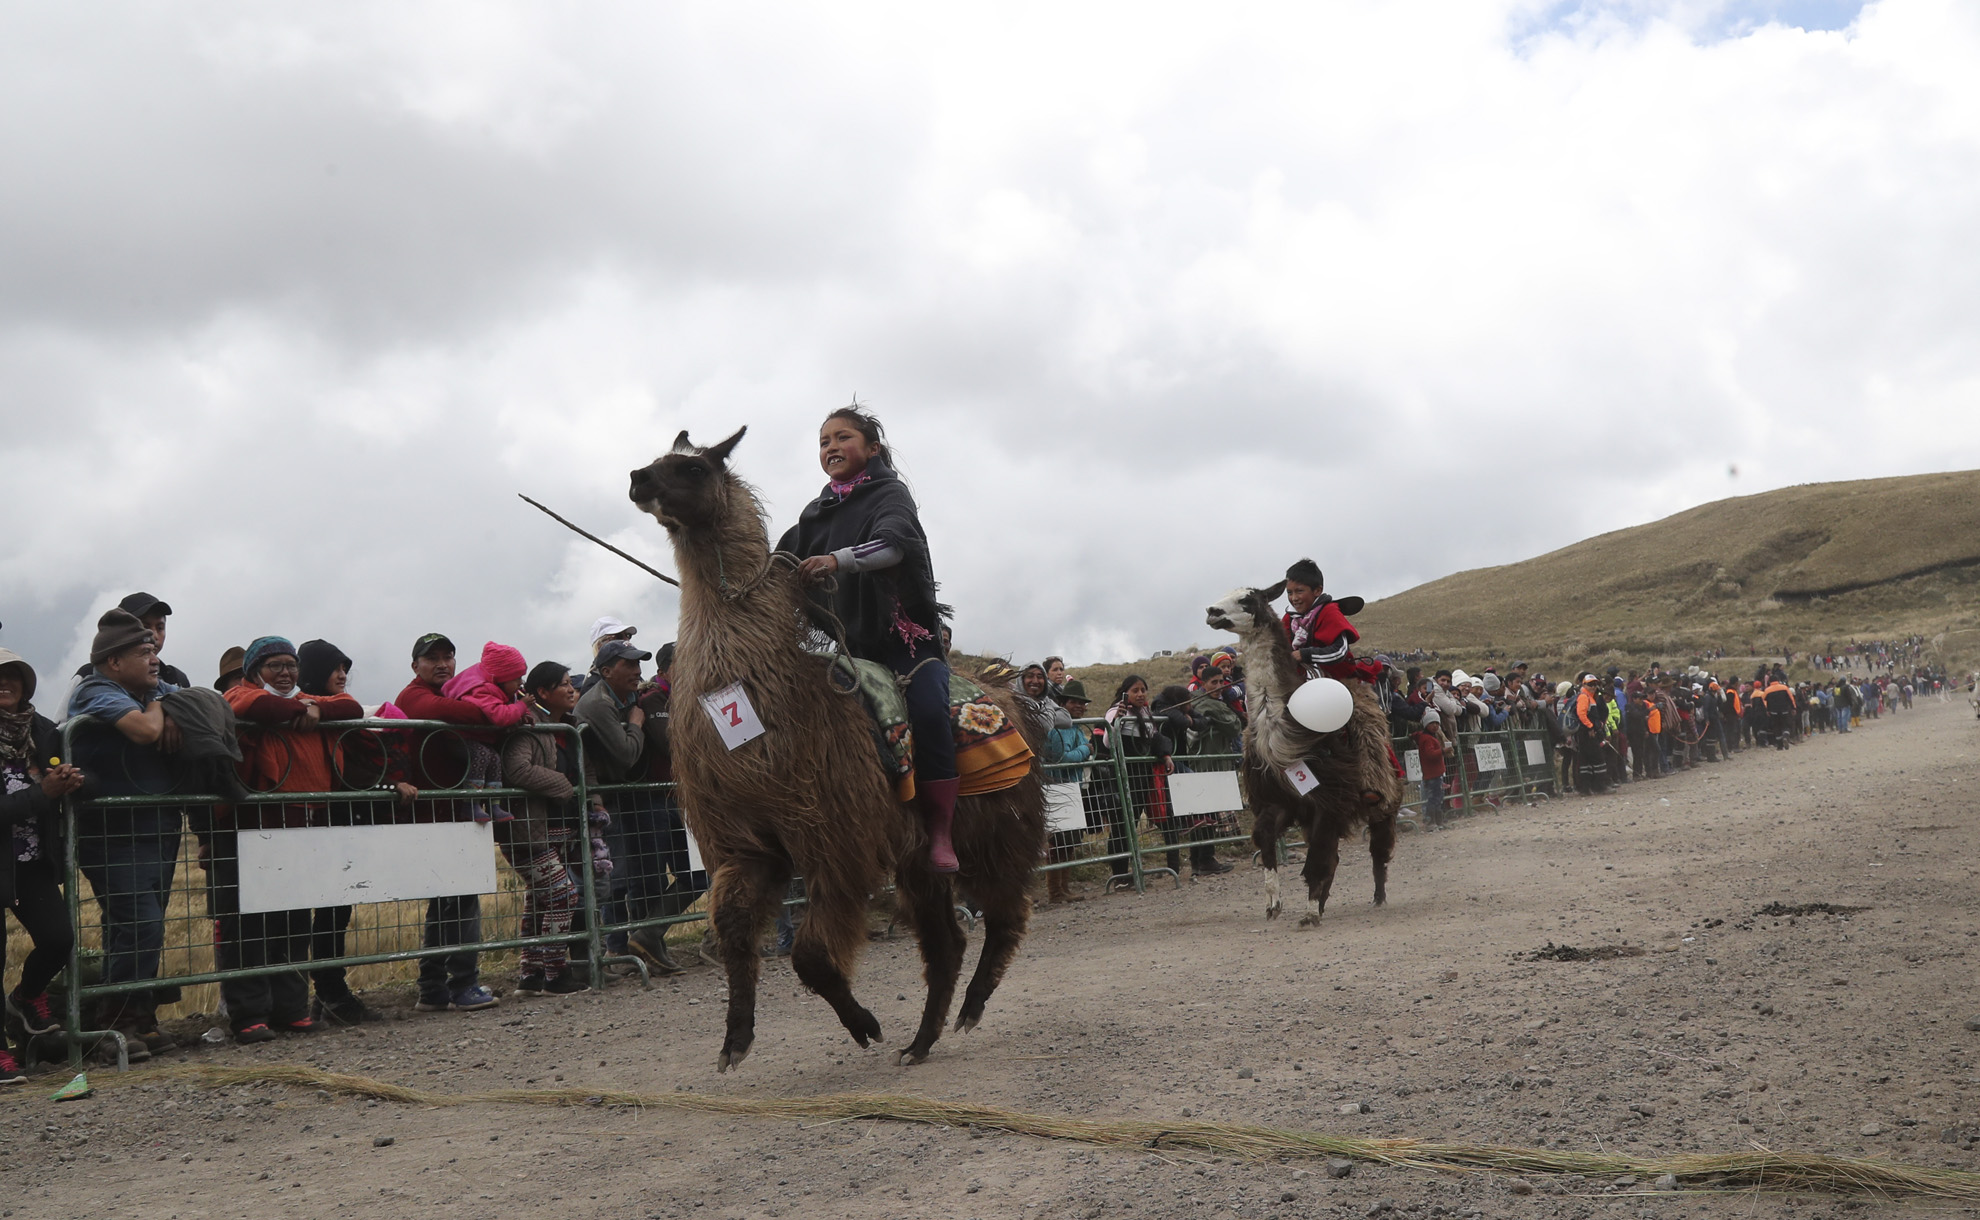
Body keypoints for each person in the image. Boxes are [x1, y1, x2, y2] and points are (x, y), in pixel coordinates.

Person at [778, 406, 960, 872]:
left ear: (873, 449)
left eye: (842, 437)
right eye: (823, 441)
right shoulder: (816, 513)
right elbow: (780, 563)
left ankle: (941, 830)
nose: (831, 447)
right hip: (849, 650)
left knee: (928, 711)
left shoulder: (891, 495)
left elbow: (894, 545)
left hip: (906, 644)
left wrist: (836, 561)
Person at [217, 636, 363, 1041]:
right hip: (257, 825)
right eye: (274, 665)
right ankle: (249, 1014)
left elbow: (350, 706)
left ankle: (292, 1007)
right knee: (251, 923)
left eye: (290, 665)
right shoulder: (239, 694)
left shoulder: (310, 699)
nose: (284, 672)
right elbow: (261, 707)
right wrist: (307, 708)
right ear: (253, 671)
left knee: (296, 916)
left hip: (306, 823)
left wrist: (313, 706)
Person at [65, 608, 189, 1062]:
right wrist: (162, 707)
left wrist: (169, 705)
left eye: (154, 649)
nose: (154, 658)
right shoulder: (97, 690)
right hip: (112, 834)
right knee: (141, 922)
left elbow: (197, 706)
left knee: (139, 927)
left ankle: (138, 1016)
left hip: (156, 828)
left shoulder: (151, 687)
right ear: (114, 662)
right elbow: (144, 730)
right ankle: (110, 1022)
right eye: (143, 652)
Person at [393, 633, 501, 1014]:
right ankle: (462, 984)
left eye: (449, 656)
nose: (442, 664)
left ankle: (434, 988)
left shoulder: (447, 693)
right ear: (415, 665)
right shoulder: (415, 696)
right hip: (437, 813)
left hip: (453, 810)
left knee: (447, 902)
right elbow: (465, 715)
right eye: (432, 658)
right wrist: (491, 708)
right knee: (460, 899)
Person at [296, 639, 392, 1025]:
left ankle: (329, 994)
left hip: (333, 822)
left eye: (345, 667)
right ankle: (325, 994)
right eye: (334, 668)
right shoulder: (300, 709)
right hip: (311, 822)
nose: (342, 675)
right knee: (313, 914)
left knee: (335, 911)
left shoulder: (327, 711)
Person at [576, 638, 682, 974]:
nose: (638, 672)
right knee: (616, 880)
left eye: (639, 665)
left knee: (644, 878)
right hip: (608, 801)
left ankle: (643, 944)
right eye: (629, 665)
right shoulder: (600, 703)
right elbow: (625, 755)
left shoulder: (632, 697)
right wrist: (637, 723)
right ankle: (615, 951)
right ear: (606, 670)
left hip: (628, 799)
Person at [0, 650, 82, 1079]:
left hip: (30, 862)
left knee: (58, 939)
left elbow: (85, 775)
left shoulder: (42, 732)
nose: (5, 683)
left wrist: (74, 780)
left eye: (13, 676)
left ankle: (27, 998)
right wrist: (44, 793)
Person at [502, 661, 593, 995]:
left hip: (554, 831)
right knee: (563, 894)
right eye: (563, 684)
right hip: (527, 832)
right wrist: (564, 785)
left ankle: (530, 975)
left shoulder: (568, 728)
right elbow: (517, 769)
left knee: (540, 901)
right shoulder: (530, 727)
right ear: (542, 692)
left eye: (572, 683)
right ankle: (556, 974)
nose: (571, 689)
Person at [440, 642, 533, 824]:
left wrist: (525, 714)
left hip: (475, 737)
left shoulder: (498, 684)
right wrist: (522, 707)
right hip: (459, 738)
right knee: (481, 755)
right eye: (517, 678)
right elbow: (500, 716)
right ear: (502, 678)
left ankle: (493, 804)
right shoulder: (481, 689)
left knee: (495, 759)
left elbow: (511, 701)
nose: (521, 683)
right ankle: (471, 804)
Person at [1106, 676, 1175, 878]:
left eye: (1143, 690)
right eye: (1135, 690)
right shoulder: (1115, 711)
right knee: (1123, 826)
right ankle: (1119, 875)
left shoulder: (1146, 714)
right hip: (1125, 777)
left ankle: (1173, 868)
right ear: (1125, 692)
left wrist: (1166, 755)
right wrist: (1116, 722)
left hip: (1144, 775)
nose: (1140, 694)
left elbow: (1155, 738)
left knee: (1162, 820)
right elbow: (1108, 742)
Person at [73, 593, 191, 689]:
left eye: (160, 628)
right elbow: (63, 719)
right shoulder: (89, 675)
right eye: (145, 627)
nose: (154, 635)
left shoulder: (174, 679)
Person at [1414, 711, 1447, 829]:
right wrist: (1443, 751)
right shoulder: (1427, 739)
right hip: (1432, 773)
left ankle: (1438, 821)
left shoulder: (1430, 737)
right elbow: (1430, 754)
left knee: (1438, 797)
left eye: (1437, 723)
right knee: (1433, 798)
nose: (1435, 726)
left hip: (1435, 773)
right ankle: (1431, 822)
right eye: (1432, 723)